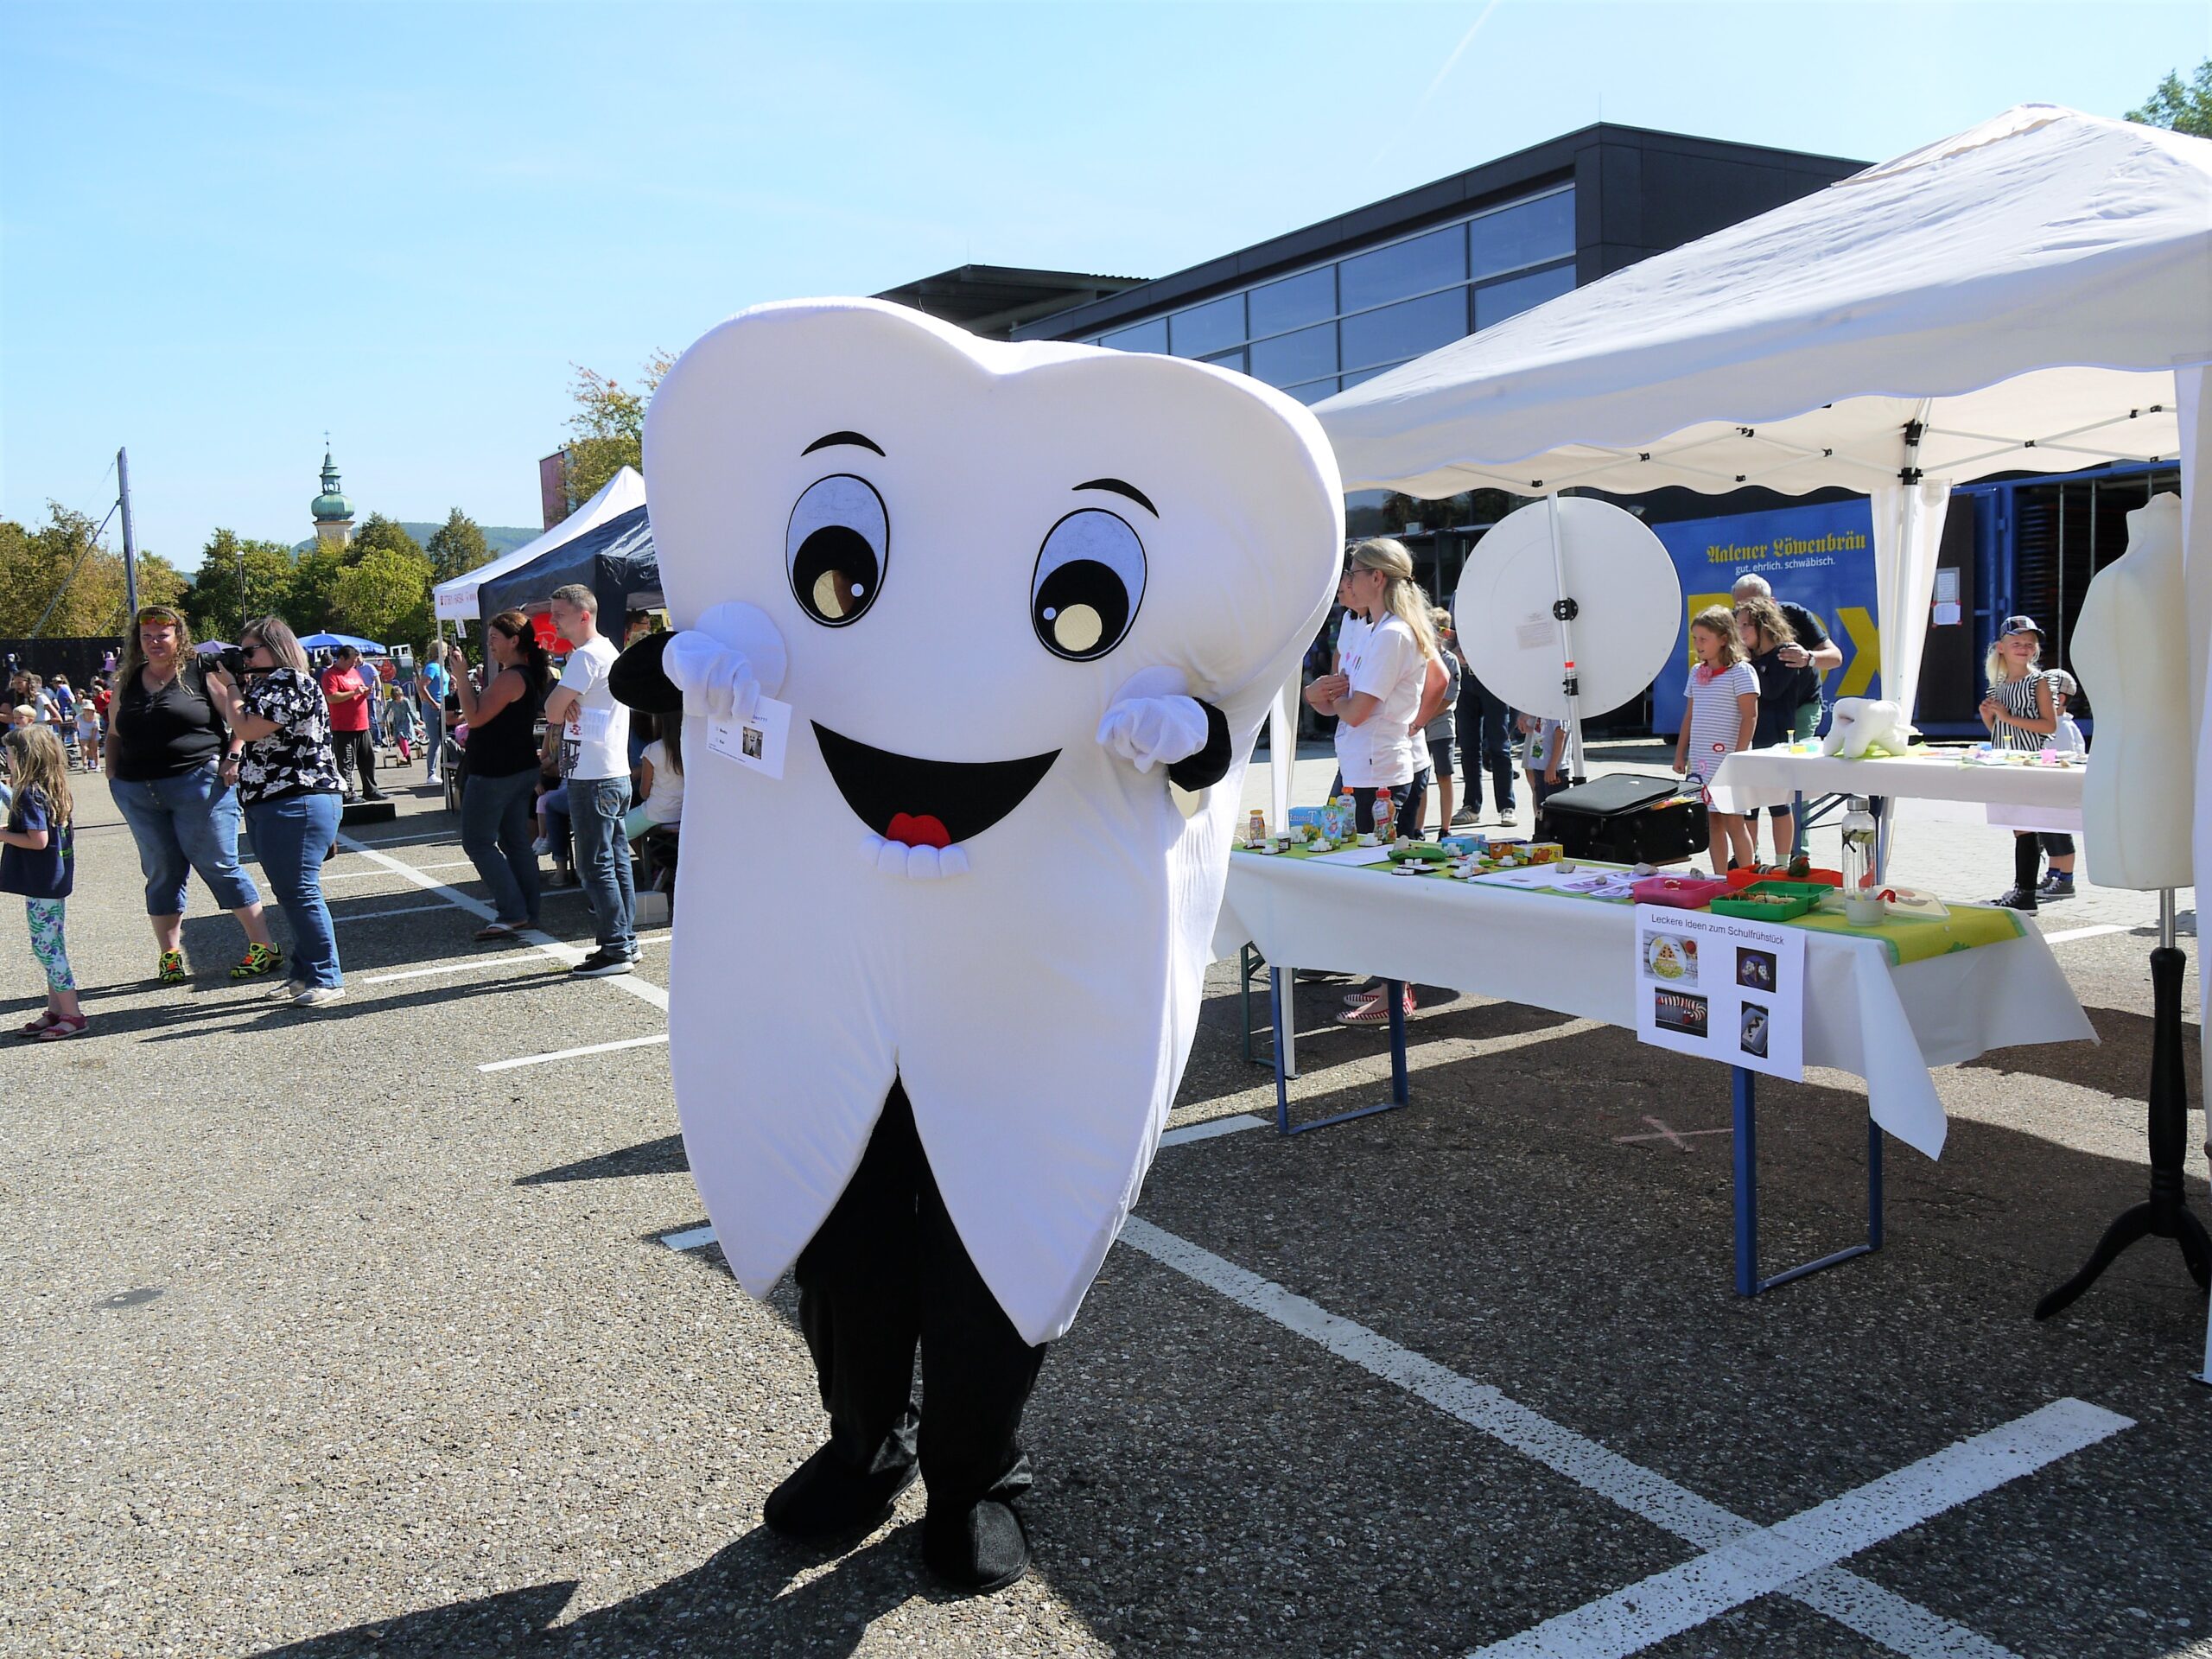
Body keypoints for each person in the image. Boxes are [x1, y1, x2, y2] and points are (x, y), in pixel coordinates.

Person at [1302, 539, 1441, 1027]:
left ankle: (1396, 987)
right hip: (1365, 774)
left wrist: (1328, 701)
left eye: (1355, 572)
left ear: (1376, 578)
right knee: (1372, 882)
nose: (1348, 580)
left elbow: (1357, 710)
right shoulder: (1376, 629)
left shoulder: (1393, 635)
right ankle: (1388, 982)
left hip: (1380, 777)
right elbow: (1344, 702)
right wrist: (1325, 698)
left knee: (1381, 885)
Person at [105, 605, 280, 983]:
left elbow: (239, 718)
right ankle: (169, 955)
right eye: (146, 637)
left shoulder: (200, 671)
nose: (154, 642)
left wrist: (232, 756)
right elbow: (114, 732)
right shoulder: (129, 680)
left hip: (198, 784)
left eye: (161, 636)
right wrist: (112, 776)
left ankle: (264, 946)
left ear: (177, 636)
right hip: (138, 789)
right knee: (161, 870)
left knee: (217, 862)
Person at [212, 616, 346, 1007]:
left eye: (249, 652)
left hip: (298, 798)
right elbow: (239, 725)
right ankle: (304, 972)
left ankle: (327, 976)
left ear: (276, 647)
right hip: (272, 801)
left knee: (300, 890)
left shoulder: (291, 681)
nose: (245, 659)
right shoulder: (269, 685)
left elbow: (247, 727)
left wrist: (233, 684)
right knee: (290, 892)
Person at [543, 584, 635, 976]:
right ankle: (625, 941)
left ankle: (616, 949)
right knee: (616, 861)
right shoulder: (610, 652)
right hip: (613, 770)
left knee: (596, 865)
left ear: (584, 615)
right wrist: (566, 703)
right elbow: (560, 709)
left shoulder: (584, 658)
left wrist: (564, 703)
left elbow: (550, 710)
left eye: (560, 614)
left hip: (593, 775)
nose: (553, 621)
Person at [453, 609, 551, 941]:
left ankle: (513, 911)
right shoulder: (524, 674)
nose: (490, 644)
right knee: (515, 842)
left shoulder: (512, 677)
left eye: (495, 638)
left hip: (496, 772)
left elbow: (475, 717)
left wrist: (462, 677)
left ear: (514, 641)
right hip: (519, 768)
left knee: (478, 842)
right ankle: (527, 911)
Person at [2, 725, 84, 1039]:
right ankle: (57, 1009)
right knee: (53, 946)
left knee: (46, 949)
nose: (6, 759)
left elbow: (37, 840)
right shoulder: (50, 786)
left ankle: (73, 1015)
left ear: (23, 758)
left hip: (42, 882)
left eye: (9, 754)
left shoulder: (29, 792)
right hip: (53, 880)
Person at [1980, 615, 2059, 910]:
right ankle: (2023, 888)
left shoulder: (2038, 681)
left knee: (2025, 826)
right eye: (2017, 643)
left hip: (2028, 762)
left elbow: (2049, 726)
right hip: (2006, 760)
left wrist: (2007, 716)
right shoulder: (1997, 685)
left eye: (2029, 644)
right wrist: (1990, 717)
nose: (2023, 648)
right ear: (2001, 647)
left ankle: (2025, 891)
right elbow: (2001, 730)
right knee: (2019, 826)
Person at [1674, 604, 1760, 872]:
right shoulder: (1696, 673)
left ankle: (1748, 876)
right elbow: (1690, 715)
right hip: (1702, 762)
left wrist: (1738, 754)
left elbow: (1750, 716)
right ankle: (1720, 878)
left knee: (1735, 822)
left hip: (1728, 759)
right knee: (1712, 823)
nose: (1697, 645)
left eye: (1703, 639)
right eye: (1695, 639)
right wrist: (1680, 753)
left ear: (1723, 639)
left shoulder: (1741, 672)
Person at [1735, 596, 1817, 868]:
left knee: (1779, 805)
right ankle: (1750, 861)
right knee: (1750, 808)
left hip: (1777, 741)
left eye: (1746, 625)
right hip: (1752, 743)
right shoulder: (1751, 659)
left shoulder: (1783, 654)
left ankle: (1782, 863)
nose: (1741, 632)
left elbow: (1770, 690)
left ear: (1764, 626)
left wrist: (1747, 665)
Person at [1731, 573, 1841, 741]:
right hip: (1762, 705)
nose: (1744, 613)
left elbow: (1836, 658)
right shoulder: (1735, 622)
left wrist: (1808, 657)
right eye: (1739, 607)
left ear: (1772, 603)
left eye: (1754, 606)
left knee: (1796, 756)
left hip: (1801, 702)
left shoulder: (1796, 615)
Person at [320, 645, 383, 801]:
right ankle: (347, 792)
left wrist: (365, 692)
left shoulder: (354, 672)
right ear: (341, 658)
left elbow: (357, 690)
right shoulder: (331, 675)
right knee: (346, 761)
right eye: (351, 661)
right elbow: (332, 697)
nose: (353, 665)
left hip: (362, 724)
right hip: (344, 727)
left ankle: (370, 789)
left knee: (367, 759)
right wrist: (354, 693)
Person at [1421, 609, 1464, 836]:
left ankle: (1445, 828)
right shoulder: (1421, 658)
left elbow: (1449, 698)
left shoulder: (1450, 660)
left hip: (1441, 726)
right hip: (1419, 726)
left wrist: (1424, 716)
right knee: (1421, 778)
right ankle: (1418, 827)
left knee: (1444, 775)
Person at [624, 711, 685, 844]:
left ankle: (648, 863)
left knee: (616, 832)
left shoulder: (652, 749)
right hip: (684, 812)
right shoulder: (690, 748)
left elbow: (644, 792)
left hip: (657, 812)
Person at [418, 639, 453, 787]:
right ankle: (431, 773)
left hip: (443, 707)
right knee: (435, 741)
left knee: (443, 740)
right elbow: (422, 687)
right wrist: (434, 703)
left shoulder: (441, 667)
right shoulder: (432, 667)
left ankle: (438, 771)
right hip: (433, 709)